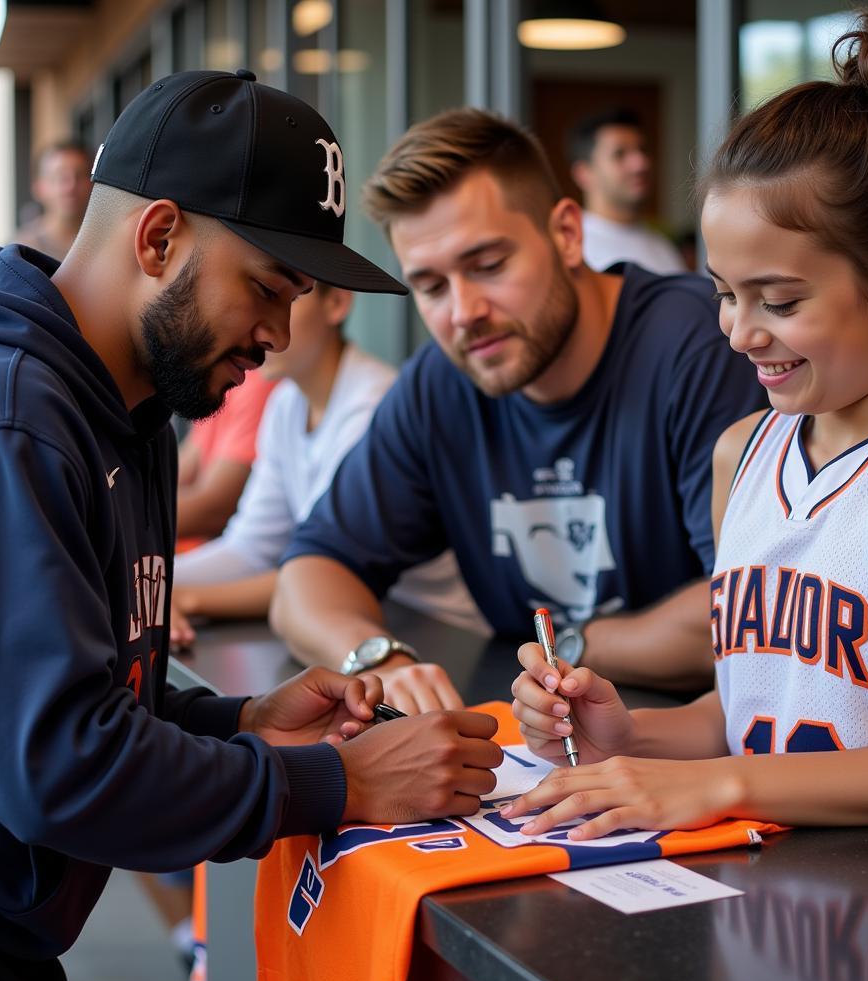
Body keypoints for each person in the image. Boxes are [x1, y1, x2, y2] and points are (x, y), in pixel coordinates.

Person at [0, 69, 502, 981]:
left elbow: (98, 695)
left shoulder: (133, 414)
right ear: (159, 236)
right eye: (265, 286)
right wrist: (342, 782)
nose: (279, 334)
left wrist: (242, 722)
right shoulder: (6, 416)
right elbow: (59, 769)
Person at [505, 0, 868, 845]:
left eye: (781, 300)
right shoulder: (743, 453)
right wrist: (628, 735)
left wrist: (723, 785)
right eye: (724, 291)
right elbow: (756, 704)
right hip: (769, 908)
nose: (739, 331)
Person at [271, 107, 766, 714]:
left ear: (566, 234)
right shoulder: (442, 384)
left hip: (714, 739)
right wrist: (378, 660)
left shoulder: (693, 344)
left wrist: (576, 644)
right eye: (430, 286)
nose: (463, 311)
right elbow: (308, 575)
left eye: (488, 266)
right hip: (543, 745)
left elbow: (752, 608)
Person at [169, 281, 485, 647]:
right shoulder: (286, 404)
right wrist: (156, 587)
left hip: (438, 630)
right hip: (362, 623)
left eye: (286, 298)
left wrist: (184, 597)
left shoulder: (375, 405)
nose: (262, 324)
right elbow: (251, 548)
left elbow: (327, 569)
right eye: (260, 295)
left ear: (336, 303)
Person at [568, 108, 685, 275]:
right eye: (619, 154)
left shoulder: (663, 247)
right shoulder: (572, 247)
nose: (641, 163)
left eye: (642, 150)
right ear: (584, 173)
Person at [174, 364, 275, 541]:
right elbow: (180, 470)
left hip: (216, 546)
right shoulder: (222, 373)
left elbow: (215, 507)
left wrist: (122, 518)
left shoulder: (260, 379)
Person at [13, 141, 94, 261]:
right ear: (38, 187)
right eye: (59, 177)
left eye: (80, 175)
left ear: (93, 184)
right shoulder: (19, 252)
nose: (70, 186)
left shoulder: (111, 246)